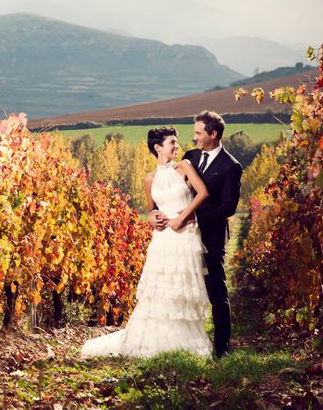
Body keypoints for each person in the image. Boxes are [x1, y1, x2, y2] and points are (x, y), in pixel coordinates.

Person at [81, 126, 212, 358]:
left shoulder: (184, 167)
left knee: (181, 287)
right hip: (162, 240)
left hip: (185, 235)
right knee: (161, 288)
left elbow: (202, 193)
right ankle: (161, 340)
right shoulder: (149, 179)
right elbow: (151, 211)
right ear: (158, 147)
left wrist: (182, 217)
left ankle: (184, 341)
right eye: (172, 142)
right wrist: (152, 219)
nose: (176, 146)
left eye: (176, 142)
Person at [149, 111, 242, 358]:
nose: (195, 138)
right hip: (180, 236)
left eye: (199, 133)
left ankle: (221, 348)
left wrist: (194, 217)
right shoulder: (190, 157)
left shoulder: (231, 166)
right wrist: (153, 215)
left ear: (213, 134)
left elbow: (228, 207)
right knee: (178, 286)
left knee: (216, 290)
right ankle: (177, 338)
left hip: (210, 235)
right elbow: (167, 191)